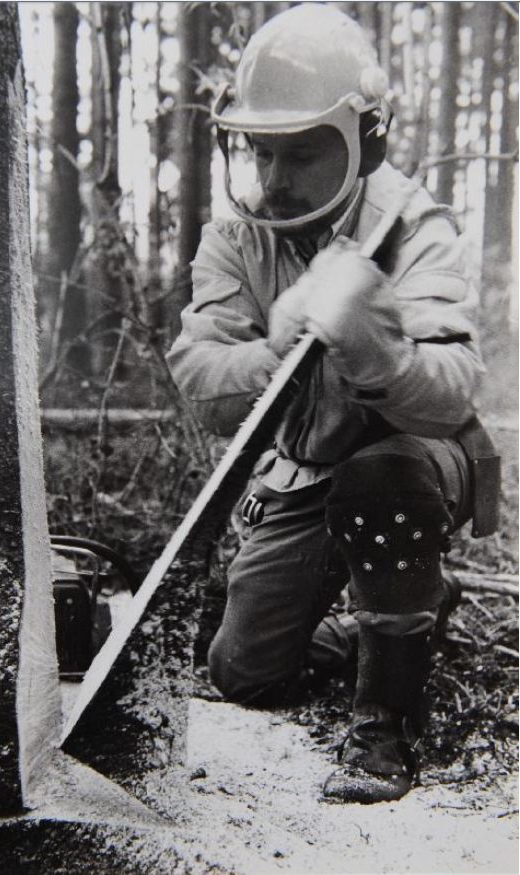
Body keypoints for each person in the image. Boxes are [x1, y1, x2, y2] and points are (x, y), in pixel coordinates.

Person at [167, 4, 499, 804]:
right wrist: (276, 347)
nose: (276, 181)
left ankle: (386, 722)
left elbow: (453, 387)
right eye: (261, 152)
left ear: (365, 140)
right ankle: (388, 615)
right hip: (306, 472)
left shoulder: (415, 225)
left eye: (303, 154)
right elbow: (200, 376)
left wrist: (376, 343)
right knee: (242, 672)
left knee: (384, 478)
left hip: (412, 462)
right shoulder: (237, 240)